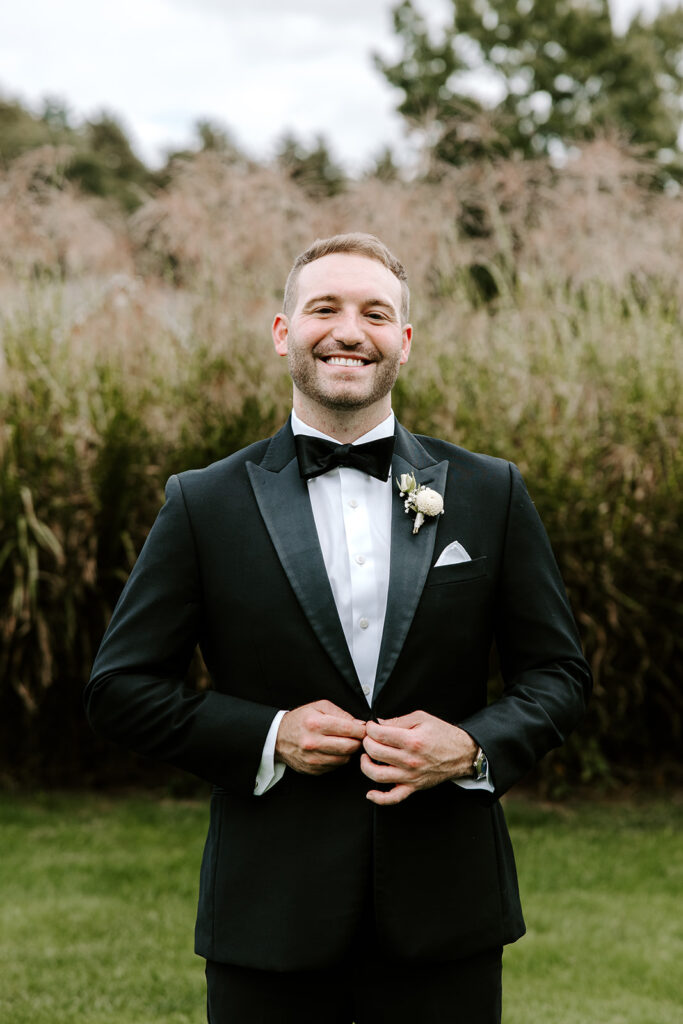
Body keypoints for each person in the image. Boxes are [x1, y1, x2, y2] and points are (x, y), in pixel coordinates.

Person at [85, 232, 591, 1023]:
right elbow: (120, 687)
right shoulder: (203, 503)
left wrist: (470, 746)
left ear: (404, 342)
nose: (349, 331)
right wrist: (270, 734)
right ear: (284, 332)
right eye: (324, 308)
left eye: (375, 313)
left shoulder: (491, 491)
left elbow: (557, 677)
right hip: (267, 914)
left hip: (446, 912)